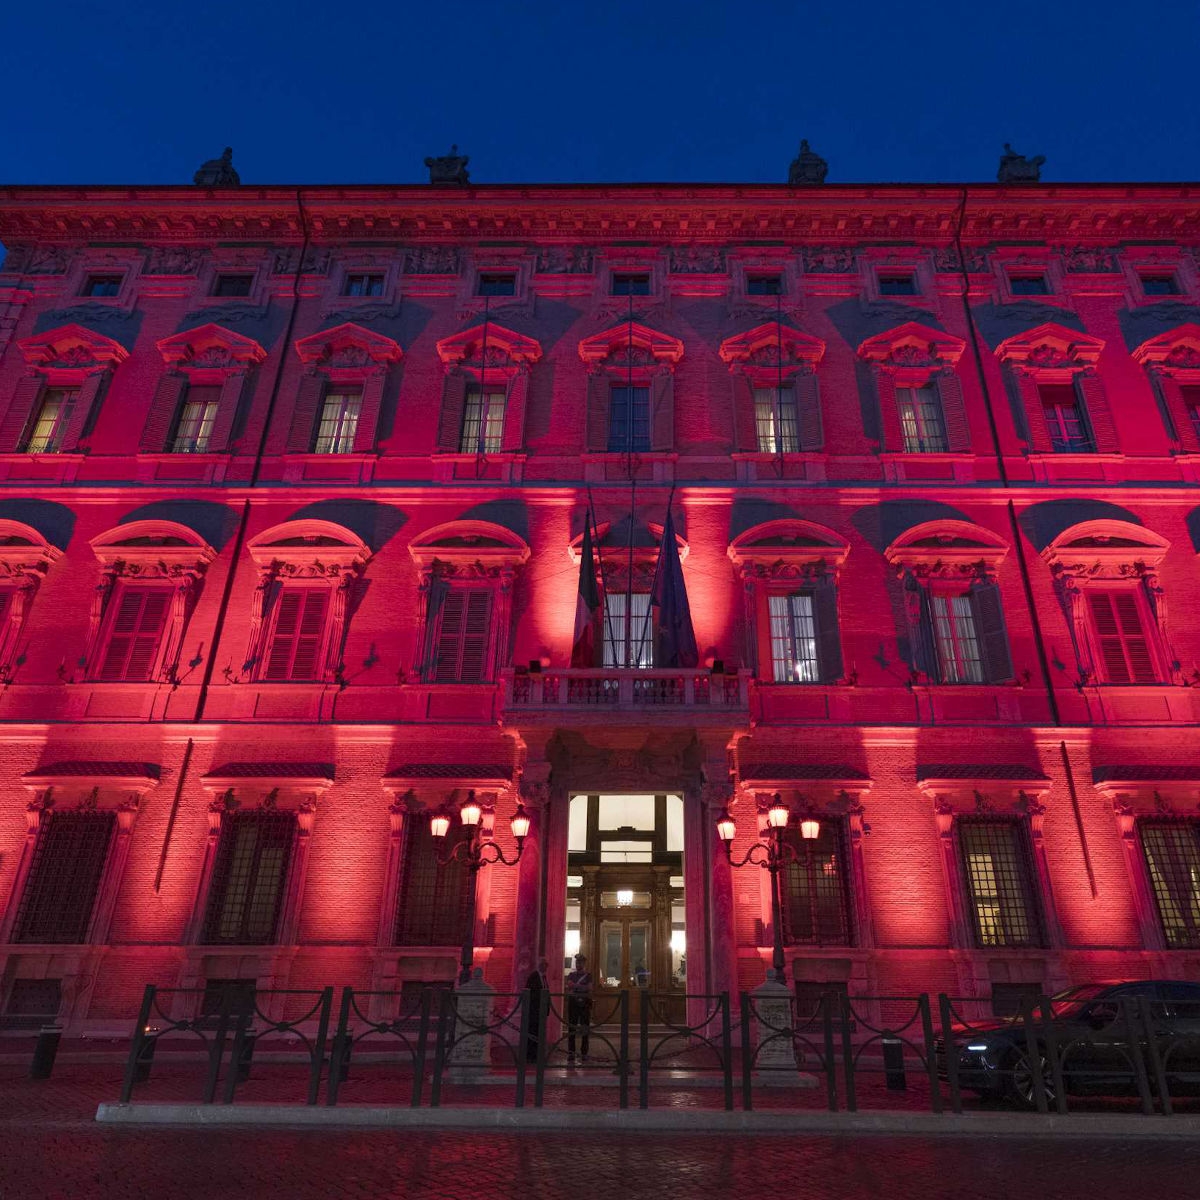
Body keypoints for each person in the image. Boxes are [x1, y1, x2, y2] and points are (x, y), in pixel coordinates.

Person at [565, 954, 593, 1064]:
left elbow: (589, 988)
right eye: (577, 962)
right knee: (571, 1028)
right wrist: (581, 987)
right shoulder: (571, 975)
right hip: (573, 1004)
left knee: (584, 1029)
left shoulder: (588, 975)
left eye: (580, 962)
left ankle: (584, 1053)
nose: (578, 964)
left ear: (584, 963)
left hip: (584, 1004)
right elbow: (569, 985)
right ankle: (571, 1053)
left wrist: (575, 986)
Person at [524, 956, 549, 1063]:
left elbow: (546, 993)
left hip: (541, 1011)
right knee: (533, 1032)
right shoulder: (533, 977)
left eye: (546, 965)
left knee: (539, 1033)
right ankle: (531, 1056)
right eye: (544, 965)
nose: (546, 967)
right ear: (539, 965)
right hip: (534, 1010)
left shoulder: (544, 977)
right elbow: (531, 993)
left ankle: (537, 1055)